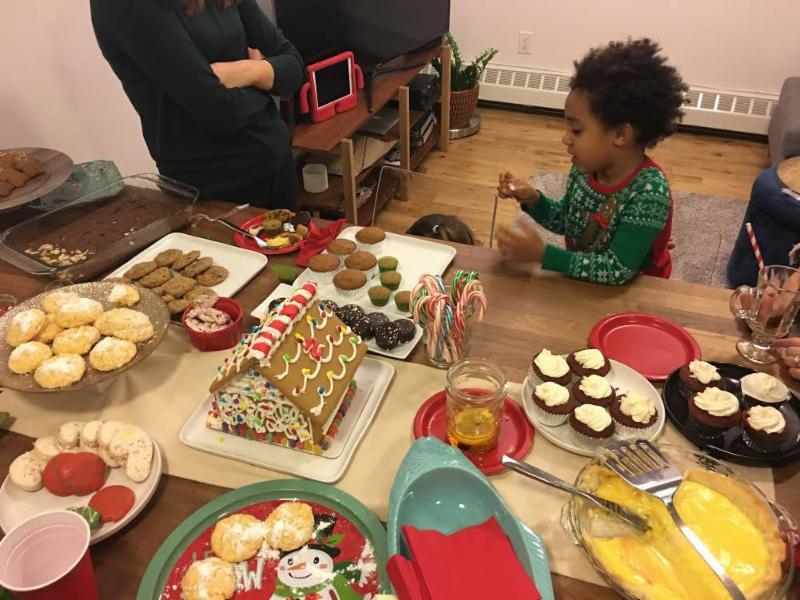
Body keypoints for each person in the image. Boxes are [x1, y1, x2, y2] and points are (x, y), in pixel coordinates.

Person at [496, 38, 687, 285]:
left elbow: (616, 270)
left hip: (639, 291)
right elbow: (568, 221)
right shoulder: (583, 170)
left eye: (576, 130)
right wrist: (533, 200)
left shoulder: (649, 193)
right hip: (586, 281)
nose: (565, 138)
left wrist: (544, 255)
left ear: (621, 134)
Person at [91, 0, 305, 208]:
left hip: (277, 167)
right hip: (215, 190)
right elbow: (221, 111)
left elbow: (295, 67)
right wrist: (267, 78)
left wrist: (247, 71)